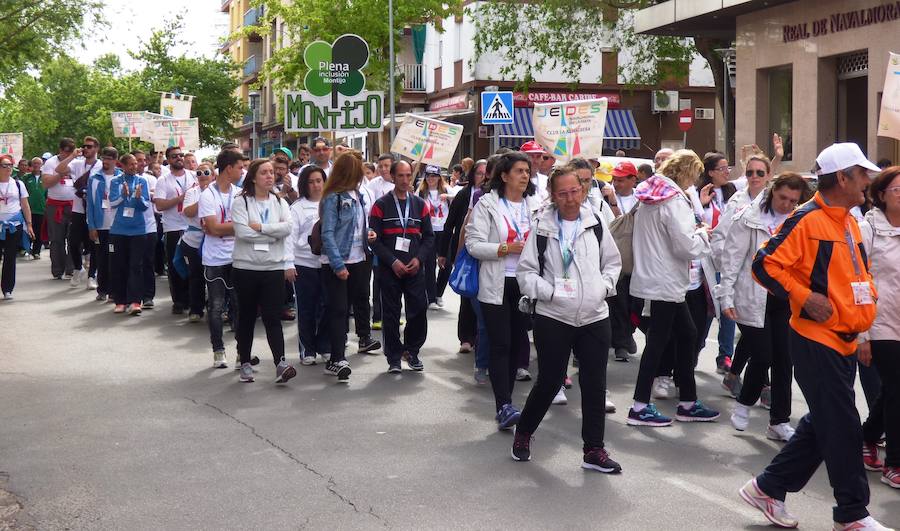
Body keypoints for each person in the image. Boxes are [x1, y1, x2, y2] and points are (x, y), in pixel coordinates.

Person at [739, 143, 890, 530]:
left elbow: (858, 278)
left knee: (824, 422)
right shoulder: (806, 220)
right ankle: (852, 514)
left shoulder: (851, 221)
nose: (867, 181)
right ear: (842, 178)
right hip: (814, 337)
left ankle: (768, 488)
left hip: (844, 338)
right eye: (861, 174)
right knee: (842, 425)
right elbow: (764, 265)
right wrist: (804, 297)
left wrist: (861, 331)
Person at [512, 165, 623, 472]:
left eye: (575, 191)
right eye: (563, 193)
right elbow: (526, 272)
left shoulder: (597, 220)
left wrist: (603, 287)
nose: (570, 198)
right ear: (553, 195)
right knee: (549, 381)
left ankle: (594, 450)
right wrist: (548, 292)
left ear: (583, 190)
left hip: (594, 315)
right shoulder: (542, 226)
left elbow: (612, 263)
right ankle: (524, 433)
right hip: (554, 315)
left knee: (594, 383)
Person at [627, 149, 719, 427]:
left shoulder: (649, 197)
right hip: (667, 279)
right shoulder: (674, 200)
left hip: (655, 277)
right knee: (658, 343)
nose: (695, 182)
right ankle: (640, 406)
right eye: (695, 175)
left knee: (686, 334)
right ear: (687, 173)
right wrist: (704, 234)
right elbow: (686, 246)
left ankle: (687, 402)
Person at [718, 173, 810, 442]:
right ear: (772, 193)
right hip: (751, 294)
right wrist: (726, 297)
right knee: (762, 355)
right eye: (783, 197)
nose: (787, 204)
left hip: (784, 297)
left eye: (793, 200)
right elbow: (732, 259)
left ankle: (779, 421)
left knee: (784, 360)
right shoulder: (748, 218)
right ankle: (744, 403)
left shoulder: (799, 220)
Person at [465, 151, 541, 429]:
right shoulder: (488, 204)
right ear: (504, 176)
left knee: (518, 341)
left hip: (524, 283)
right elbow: (473, 244)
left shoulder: (536, 204)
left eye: (527, 171)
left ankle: (507, 403)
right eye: (519, 171)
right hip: (496, 282)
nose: (525, 176)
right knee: (501, 344)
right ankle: (504, 404)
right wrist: (506, 248)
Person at [713, 155, 775, 396]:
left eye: (760, 173)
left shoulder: (775, 201)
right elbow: (721, 237)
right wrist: (724, 268)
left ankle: (733, 375)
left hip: (770, 282)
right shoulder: (735, 202)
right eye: (750, 172)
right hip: (742, 280)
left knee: (756, 333)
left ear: (768, 175)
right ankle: (763, 386)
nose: (755, 177)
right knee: (758, 337)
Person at [230, 158, 296, 384]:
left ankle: (281, 363)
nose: (270, 176)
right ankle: (245, 362)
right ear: (254, 178)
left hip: (273, 268)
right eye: (264, 173)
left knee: (272, 317)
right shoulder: (242, 202)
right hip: (246, 268)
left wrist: (262, 228)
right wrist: (273, 233)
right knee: (247, 316)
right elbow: (243, 233)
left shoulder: (280, 202)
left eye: (271, 173)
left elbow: (288, 228)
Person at [320, 152, 380, 383]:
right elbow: (328, 234)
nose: (362, 177)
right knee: (338, 309)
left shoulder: (359, 196)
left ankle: (338, 352)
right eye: (358, 172)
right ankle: (336, 358)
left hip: (360, 258)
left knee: (354, 304)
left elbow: (357, 227)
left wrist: (368, 235)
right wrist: (337, 264)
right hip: (339, 262)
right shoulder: (333, 198)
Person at [370, 160, 434, 372]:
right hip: (390, 269)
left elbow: (429, 238)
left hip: (415, 268)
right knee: (391, 314)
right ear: (392, 176)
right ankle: (394, 358)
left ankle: (412, 351)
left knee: (417, 310)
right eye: (401, 176)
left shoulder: (419, 205)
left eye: (409, 175)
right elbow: (373, 240)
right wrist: (393, 261)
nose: (406, 180)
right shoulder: (380, 205)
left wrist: (419, 259)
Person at [859, 167, 900, 490]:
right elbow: (857, 280)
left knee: (891, 390)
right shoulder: (868, 227)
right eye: (898, 189)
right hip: (879, 322)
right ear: (882, 193)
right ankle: (894, 464)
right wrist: (863, 334)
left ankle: (868, 436)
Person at [199, 151, 245, 369]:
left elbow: (219, 227)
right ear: (229, 168)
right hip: (215, 259)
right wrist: (239, 227)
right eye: (240, 167)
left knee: (239, 306)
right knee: (216, 307)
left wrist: (222, 228)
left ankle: (241, 352)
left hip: (237, 258)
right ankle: (218, 350)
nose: (242, 171)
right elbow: (214, 228)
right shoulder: (208, 195)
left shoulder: (239, 193)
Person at [285, 165, 329, 366]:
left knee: (326, 307)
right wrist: (289, 264)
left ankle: (325, 346)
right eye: (311, 182)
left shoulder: (330, 204)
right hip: (304, 265)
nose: (316, 185)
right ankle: (307, 349)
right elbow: (289, 239)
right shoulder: (297, 208)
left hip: (327, 264)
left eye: (319, 180)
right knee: (307, 308)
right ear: (304, 184)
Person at [441, 159, 486, 358]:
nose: (483, 177)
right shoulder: (464, 195)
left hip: (485, 253)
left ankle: (480, 336)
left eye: (487, 173)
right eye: (479, 173)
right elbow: (450, 224)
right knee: (467, 295)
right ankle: (466, 337)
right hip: (465, 250)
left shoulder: (492, 196)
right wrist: (444, 253)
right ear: (473, 174)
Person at [153, 147, 197, 314]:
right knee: (175, 264)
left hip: (192, 227)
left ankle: (194, 300)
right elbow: (159, 205)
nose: (179, 158)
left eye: (180, 155)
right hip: (173, 228)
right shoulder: (163, 180)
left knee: (194, 265)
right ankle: (179, 300)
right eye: (174, 156)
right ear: (168, 160)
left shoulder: (193, 176)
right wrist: (180, 198)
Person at [108, 154, 151, 316]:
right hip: (119, 230)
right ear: (123, 166)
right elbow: (112, 203)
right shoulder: (115, 181)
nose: (135, 166)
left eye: (136, 163)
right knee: (119, 266)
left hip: (138, 230)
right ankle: (120, 301)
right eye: (131, 164)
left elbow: (145, 206)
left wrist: (139, 199)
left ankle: (135, 301)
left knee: (136, 266)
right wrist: (123, 196)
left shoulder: (142, 181)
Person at [608, 161, 641, 362]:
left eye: (621, 179)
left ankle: (627, 333)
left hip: (638, 260)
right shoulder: (606, 196)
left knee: (635, 305)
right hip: (616, 260)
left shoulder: (642, 198)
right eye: (615, 179)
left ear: (633, 179)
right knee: (618, 303)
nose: (617, 183)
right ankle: (621, 342)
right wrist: (612, 203)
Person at [85, 147, 121, 302]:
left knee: (115, 259)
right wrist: (91, 226)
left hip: (117, 226)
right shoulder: (94, 178)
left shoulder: (121, 176)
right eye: (104, 158)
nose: (106, 162)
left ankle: (114, 291)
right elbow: (91, 204)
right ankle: (102, 289)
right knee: (101, 258)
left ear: (115, 160)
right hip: (100, 225)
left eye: (109, 159)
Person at [180, 162, 213, 322]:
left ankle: (216, 308)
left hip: (214, 239)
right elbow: (188, 212)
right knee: (196, 276)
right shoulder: (192, 192)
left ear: (213, 175)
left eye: (206, 172)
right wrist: (203, 198)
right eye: (198, 173)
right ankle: (196, 309)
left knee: (214, 276)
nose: (202, 176)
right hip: (194, 240)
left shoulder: (220, 192)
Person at [41, 138, 78, 280]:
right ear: (60, 150)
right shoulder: (50, 163)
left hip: (73, 205)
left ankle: (71, 268)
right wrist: (60, 174)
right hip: (55, 205)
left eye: (71, 151)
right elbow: (46, 183)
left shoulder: (76, 162)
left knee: (73, 239)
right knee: (57, 239)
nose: (68, 154)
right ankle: (58, 270)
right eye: (66, 151)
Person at [367, 153, 396, 329]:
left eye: (387, 165)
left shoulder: (399, 184)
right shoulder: (373, 185)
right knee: (378, 278)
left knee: (394, 278)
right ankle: (377, 316)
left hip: (395, 237)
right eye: (381, 165)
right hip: (378, 236)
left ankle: (391, 313)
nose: (384, 169)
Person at [0, 154, 34, 299]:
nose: (8, 168)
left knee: (10, 257)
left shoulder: (18, 184)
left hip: (14, 225)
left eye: (10, 165)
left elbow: (25, 205)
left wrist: (29, 224)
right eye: (4, 165)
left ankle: (7, 289)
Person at [417, 165, 450, 308]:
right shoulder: (421, 192)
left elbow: (462, 195)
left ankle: (438, 293)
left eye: (434, 176)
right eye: (429, 175)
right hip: (428, 231)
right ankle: (430, 298)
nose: (431, 178)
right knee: (429, 265)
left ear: (439, 177)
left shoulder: (446, 190)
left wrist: (448, 196)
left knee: (447, 265)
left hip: (444, 230)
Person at [21, 157, 46, 260]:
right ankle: (26, 248)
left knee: (39, 231)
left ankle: (36, 251)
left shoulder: (45, 177)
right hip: (29, 209)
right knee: (28, 230)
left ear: (41, 165)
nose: (36, 165)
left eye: (38, 163)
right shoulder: (27, 178)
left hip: (41, 209)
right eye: (34, 163)